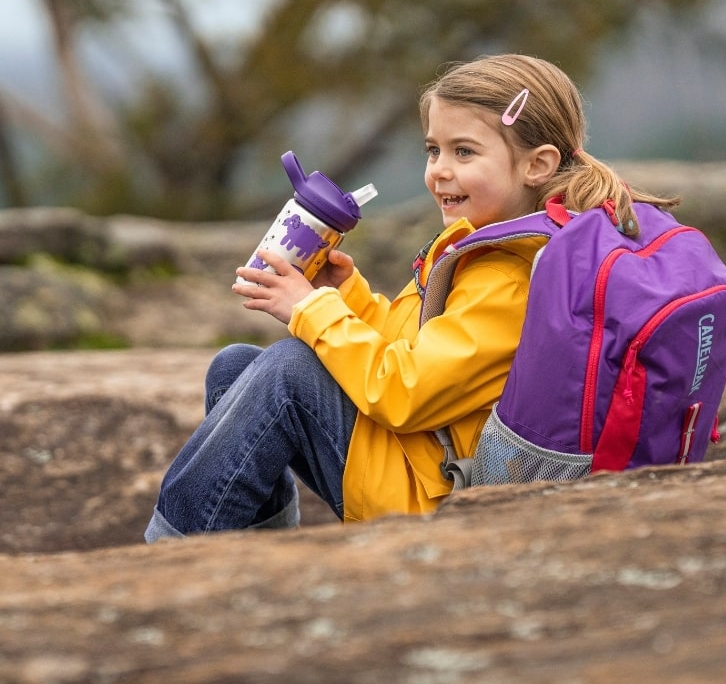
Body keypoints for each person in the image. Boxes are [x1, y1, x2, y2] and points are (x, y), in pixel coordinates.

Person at [143, 53, 678, 541]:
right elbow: (417, 348)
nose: (439, 169)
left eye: (464, 151)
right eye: (433, 149)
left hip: (436, 497)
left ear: (537, 164)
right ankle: (249, 549)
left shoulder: (515, 277)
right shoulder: (494, 240)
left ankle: (172, 554)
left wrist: (310, 310)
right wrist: (344, 296)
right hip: (424, 456)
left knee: (286, 371)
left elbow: (407, 392)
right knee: (235, 366)